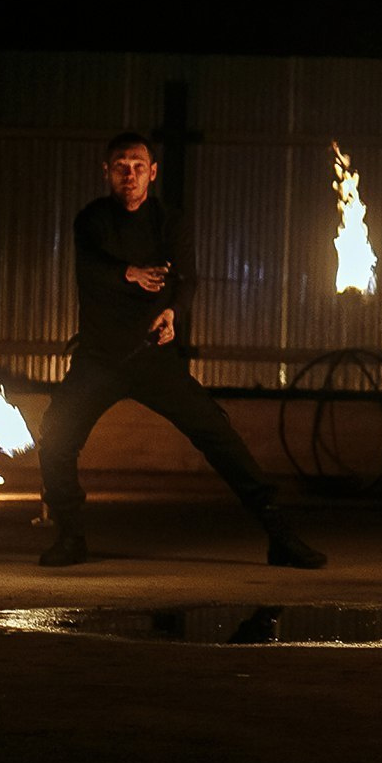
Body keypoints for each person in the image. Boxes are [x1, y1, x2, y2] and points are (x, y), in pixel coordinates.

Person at [34, 133, 324, 570]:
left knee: (216, 434)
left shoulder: (170, 221)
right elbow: (90, 270)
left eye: (137, 166)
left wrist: (171, 311)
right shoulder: (91, 220)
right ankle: (70, 536)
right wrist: (129, 273)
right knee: (57, 438)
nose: (128, 174)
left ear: (152, 172)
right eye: (120, 166)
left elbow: (187, 279)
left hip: (151, 357)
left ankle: (279, 535)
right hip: (99, 358)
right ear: (107, 172)